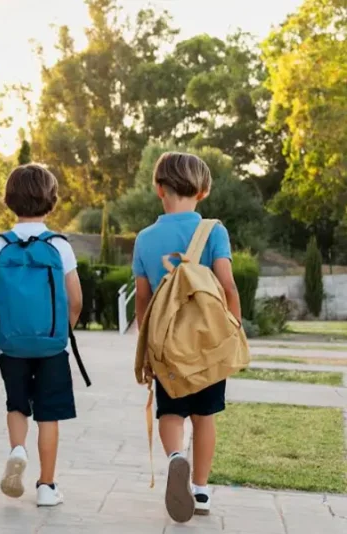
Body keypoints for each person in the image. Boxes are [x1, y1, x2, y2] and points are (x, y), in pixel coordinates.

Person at [132, 152, 240, 521]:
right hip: (208, 344)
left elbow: (143, 300)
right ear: (203, 190)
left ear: (158, 189)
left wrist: (148, 347)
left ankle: (176, 456)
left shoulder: (145, 239)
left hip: (167, 346)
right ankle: (201, 489)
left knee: (172, 411)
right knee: (205, 415)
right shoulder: (213, 231)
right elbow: (227, 285)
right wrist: (234, 329)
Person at [0, 164, 83, 507]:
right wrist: (62, 331)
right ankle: (47, 486)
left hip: (11, 344)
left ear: (9, 200)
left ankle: (18, 449)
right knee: (48, 415)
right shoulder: (59, 245)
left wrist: (1, 329)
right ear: (51, 201)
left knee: (17, 405)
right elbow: (76, 299)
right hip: (52, 345)